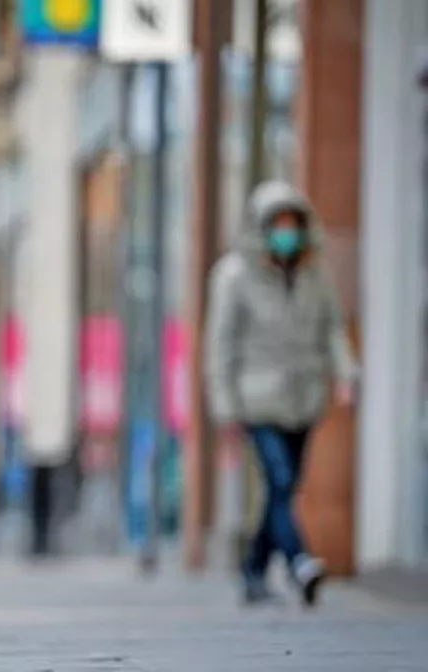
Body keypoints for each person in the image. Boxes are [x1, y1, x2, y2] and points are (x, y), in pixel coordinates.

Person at [203, 181, 358, 607]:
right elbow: (220, 346)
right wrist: (225, 409)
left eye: (293, 225)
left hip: (304, 397)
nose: (286, 234)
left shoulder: (315, 274)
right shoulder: (233, 276)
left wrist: (344, 373)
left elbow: (332, 328)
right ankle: (299, 561)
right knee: (281, 479)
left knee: (282, 489)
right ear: (261, 228)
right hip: (257, 399)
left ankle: (254, 569)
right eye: (278, 225)